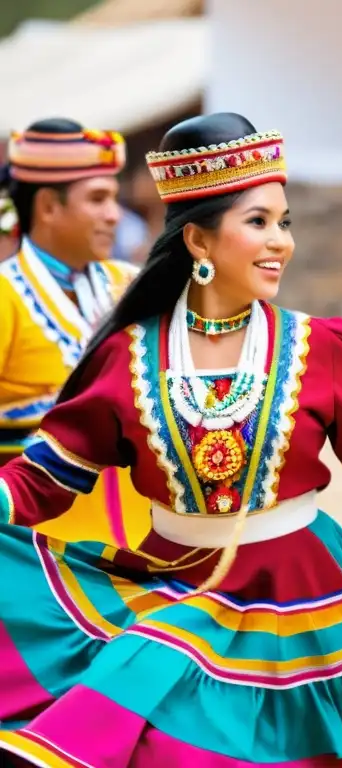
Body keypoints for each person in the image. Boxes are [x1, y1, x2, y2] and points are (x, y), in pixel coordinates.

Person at [0, 112, 342, 767]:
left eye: (285, 222)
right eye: (259, 222)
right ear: (200, 242)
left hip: (312, 594)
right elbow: (43, 478)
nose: (282, 243)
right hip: (177, 589)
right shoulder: (127, 361)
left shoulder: (317, 346)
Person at [0, 118, 148, 550]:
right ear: (47, 206)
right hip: (30, 557)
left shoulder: (134, 287)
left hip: (138, 553)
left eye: (115, 198)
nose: (114, 214)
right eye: (98, 199)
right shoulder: (5, 296)